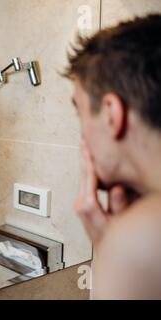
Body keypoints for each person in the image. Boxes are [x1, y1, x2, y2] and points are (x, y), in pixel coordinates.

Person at [65, 14, 161, 299]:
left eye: (79, 112)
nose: (83, 137)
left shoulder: (139, 240)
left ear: (111, 115)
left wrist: (112, 252)